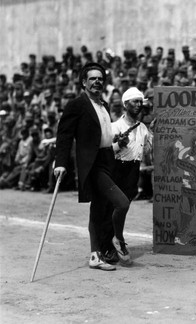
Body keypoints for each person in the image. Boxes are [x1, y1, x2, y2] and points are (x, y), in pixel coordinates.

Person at [54, 62, 131, 271]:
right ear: (83, 82)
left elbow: (103, 136)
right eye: (92, 78)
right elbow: (64, 135)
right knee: (121, 203)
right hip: (93, 162)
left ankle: (98, 253)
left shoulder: (104, 105)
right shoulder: (77, 105)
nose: (97, 81)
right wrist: (60, 163)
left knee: (100, 208)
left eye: (100, 78)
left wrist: (117, 141)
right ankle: (116, 241)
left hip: (108, 157)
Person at [101, 87, 153, 264]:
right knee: (115, 207)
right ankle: (116, 240)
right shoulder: (114, 127)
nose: (138, 105)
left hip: (133, 172)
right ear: (125, 104)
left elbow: (146, 151)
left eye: (140, 102)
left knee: (122, 209)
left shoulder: (143, 129)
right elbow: (103, 151)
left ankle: (113, 243)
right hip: (116, 170)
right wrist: (118, 146)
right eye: (135, 102)